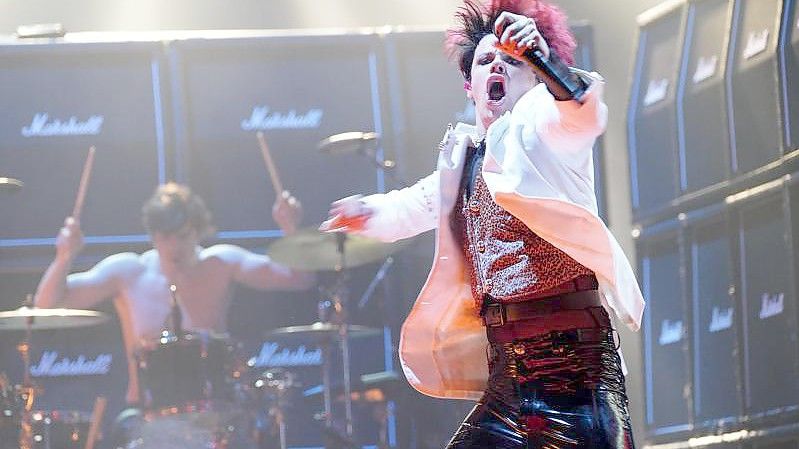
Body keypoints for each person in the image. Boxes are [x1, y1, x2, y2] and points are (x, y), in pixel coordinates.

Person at [321, 0, 645, 447]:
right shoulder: (463, 160)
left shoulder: (546, 134)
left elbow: (580, 110)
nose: (498, 66)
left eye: (512, 61)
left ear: (533, 78)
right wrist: (367, 212)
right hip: (508, 377)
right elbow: (410, 206)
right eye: (486, 60)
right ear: (469, 86)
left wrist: (541, 57)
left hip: (577, 373)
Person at [34, 182, 315, 406]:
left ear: (199, 231)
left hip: (213, 409)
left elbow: (300, 279)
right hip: (145, 412)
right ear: (153, 236)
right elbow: (46, 306)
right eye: (165, 237)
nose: (174, 246)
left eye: (183, 235)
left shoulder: (221, 263)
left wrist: (291, 228)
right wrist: (64, 257)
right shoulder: (128, 271)